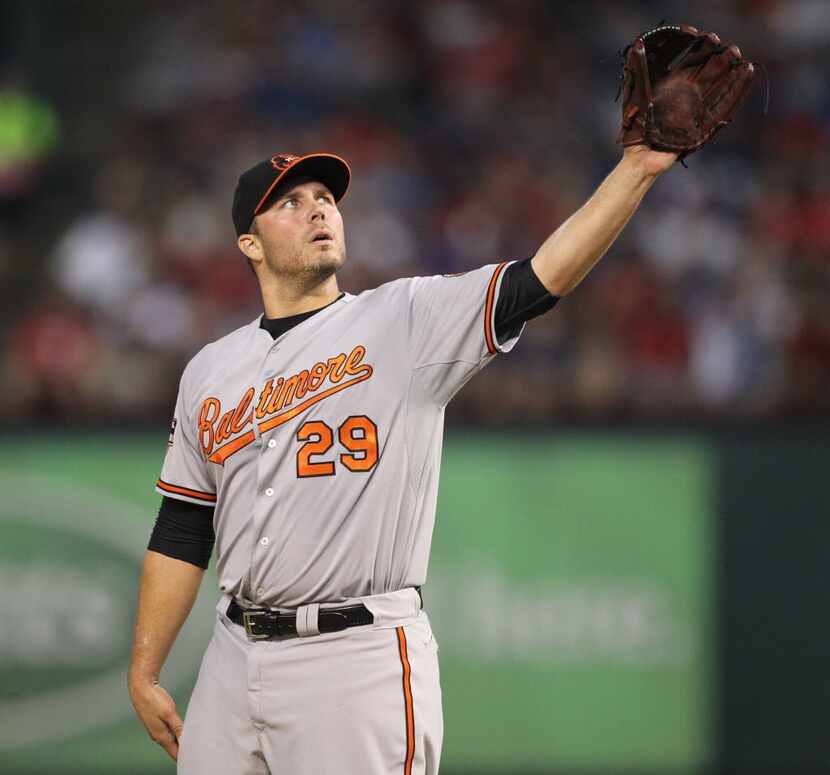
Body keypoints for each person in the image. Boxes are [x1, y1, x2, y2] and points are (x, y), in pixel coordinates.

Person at [127, 144, 677, 774]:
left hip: (355, 658)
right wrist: (145, 670)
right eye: (292, 202)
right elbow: (183, 527)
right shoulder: (210, 369)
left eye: (327, 200)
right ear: (249, 244)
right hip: (231, 655)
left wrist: (637, 170)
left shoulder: (404, 319)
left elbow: (540, 279)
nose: (319, 211)